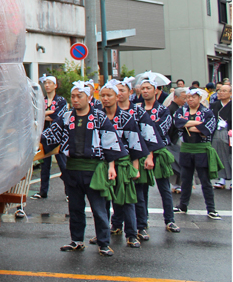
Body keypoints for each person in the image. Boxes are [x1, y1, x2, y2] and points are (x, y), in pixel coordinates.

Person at [40, 81, 128, 257]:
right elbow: (49, 136)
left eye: (79, 96)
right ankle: (77, 240)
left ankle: (103, 243)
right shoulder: (66, 117)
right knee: (75, 208)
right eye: (73, 96)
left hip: (93, 168)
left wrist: (111, 166)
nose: (75, 100)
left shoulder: (99, 117)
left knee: (98, 208)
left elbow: (110, 142)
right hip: (72, 168)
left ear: (89, 97)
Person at [100, 81, 146, 249]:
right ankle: (102, 233)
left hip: (124, 162)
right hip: (103, 164)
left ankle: (132, 234)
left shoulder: (127, 117)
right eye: (103, 96)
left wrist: (135, 167)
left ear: (116, 97)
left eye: (109, 95)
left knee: (127, 200)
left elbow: (135, 143)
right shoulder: (97, 115)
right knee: (103, 201)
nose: (106, 99)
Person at [134, 79, 181, 235]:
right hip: (140, 152)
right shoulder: (136, 109)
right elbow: (133, 130)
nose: (145, 91)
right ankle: (142, 220)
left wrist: (146, 128)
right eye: (143, 88)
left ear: (156, 91)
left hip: (159, 150)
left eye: (148, 88)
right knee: (141, 188)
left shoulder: (163, 110)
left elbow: (160, 131)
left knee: (164, 188)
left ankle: (170, 220)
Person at [173, 88, 223, 220]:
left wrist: (188, 125)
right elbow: (178, 123)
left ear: (199, 98)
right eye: (188, 97)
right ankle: (183, 205)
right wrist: (197, 124)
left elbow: (207, 128)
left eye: (193, 97)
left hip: (201, 148)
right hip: (186, 148)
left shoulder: (207, 112)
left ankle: (211, 209)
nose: (190, 99)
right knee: (185, 179)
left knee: (205, 180)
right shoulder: (182, 110)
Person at [31, 75, 67, 200]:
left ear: (55, 85)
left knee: (63, 164)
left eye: (50, 83)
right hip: (45, 136)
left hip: (57, 136)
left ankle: (69, 191)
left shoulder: (61, 101)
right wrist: (47, 114)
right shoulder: (42, 101)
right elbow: (37, 115)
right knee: (45, 165)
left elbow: (58, 116)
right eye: (45, 83)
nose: (47, 85)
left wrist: (45, 114)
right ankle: (43, 191)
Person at [166, 87, 188, 193]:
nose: (185, 101)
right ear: (175, 97)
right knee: (178, 162)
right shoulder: (171, 109)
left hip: (177, 138)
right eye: (183, 98)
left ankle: (179, 184)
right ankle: (179, 184)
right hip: (174, 139)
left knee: (180, 161)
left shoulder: (179, 109)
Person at [210, 83, 232, 189]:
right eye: (220, 91)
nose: (221, 93)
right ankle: (221, 178)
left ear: (230, 93)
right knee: (218, 154)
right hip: (217, 132)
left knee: (230, 155)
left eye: (224, 91)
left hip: (229, 132)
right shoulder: (215, 105)